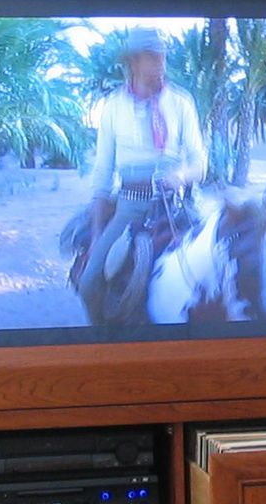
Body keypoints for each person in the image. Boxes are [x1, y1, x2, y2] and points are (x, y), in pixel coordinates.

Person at [76, 27, 206, 322]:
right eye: (152, 57)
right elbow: (103, 171)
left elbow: (200, 161)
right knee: (89, 284)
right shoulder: (113, 107)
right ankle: (105, 344)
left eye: (162, 56)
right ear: (133, 62)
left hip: (176, 205)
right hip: (129, 206)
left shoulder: (181, 103)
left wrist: (181, 176)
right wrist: (97, 234)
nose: (161, 63)